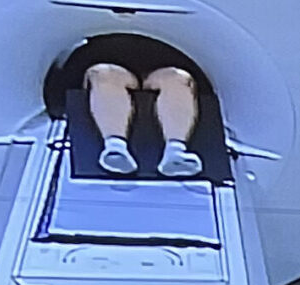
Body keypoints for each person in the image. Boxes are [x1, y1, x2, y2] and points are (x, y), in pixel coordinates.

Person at [74, 34, 205, 178]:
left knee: (177, 78)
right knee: (105, 74)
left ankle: (175, 152)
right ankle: (115, 149)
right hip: (109, 61)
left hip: (164, 63)